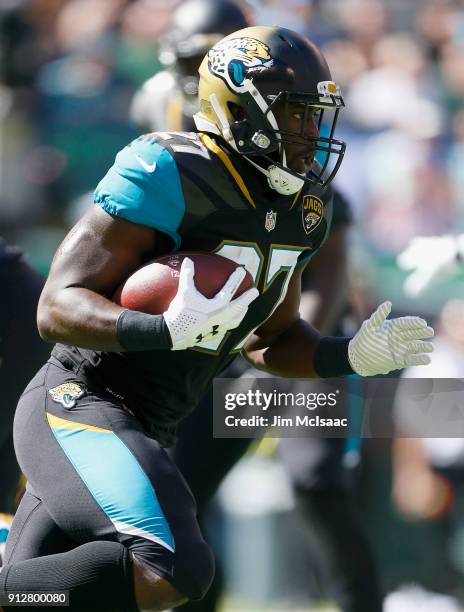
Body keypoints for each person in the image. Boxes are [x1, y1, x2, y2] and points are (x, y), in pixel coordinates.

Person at [1, 26, 434, 611]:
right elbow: (55, 307)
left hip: (157, 417)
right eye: (294, 116)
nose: (310, 134)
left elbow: (272, 340)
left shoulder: (304, 207)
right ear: (239, 110)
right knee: (173, 568)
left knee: (36, 591)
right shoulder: (170, 169)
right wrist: (162, 330)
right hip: (81, 400)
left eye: (315, 116)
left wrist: (347, 355)